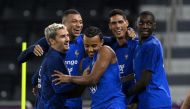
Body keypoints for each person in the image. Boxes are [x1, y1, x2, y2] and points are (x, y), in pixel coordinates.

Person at [18, 9, 84, 109]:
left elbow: (107, 41)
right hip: (52, 100)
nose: (79, 25)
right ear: (64, 24)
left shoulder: (85, 41)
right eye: (74, 21)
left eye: (80, 22)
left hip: (73, 101)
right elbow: (21, 59)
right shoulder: (49, 41)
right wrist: (31, 49)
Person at [52, 26, 127, 109]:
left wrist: (69, 78)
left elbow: (93, 79)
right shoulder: (84, 63)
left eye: (94, 46)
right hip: (96, 106)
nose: (90, 49)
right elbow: (80, 89)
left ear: (101, 42)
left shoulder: (105, 51)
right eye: (86, 46)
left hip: (113, 104)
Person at [126, 11, 172, 109]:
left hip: (155, 101)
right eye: (141, 23)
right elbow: (137, 74)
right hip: (148, 100)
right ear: (136, 25)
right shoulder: (140, 44)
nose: (145, 26)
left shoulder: (152, 45)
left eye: (149, 23)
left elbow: (144, 81)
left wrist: (124, 94)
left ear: (154, 26)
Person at [108, 9, 138, 107]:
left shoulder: (137, 45)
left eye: (120, 22)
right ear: (109, 26)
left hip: (137, 101)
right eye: (114, 23)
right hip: (118, 102)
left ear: (127, 23)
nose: (117, 26)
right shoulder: (109, 48)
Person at [38, 23, 71, 108]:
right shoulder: (55, 59)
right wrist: (83, 81)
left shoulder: (51, 57)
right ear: (52, 41)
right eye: (63, 36)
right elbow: (60, 88)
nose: (67, 39)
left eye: (67, 35)